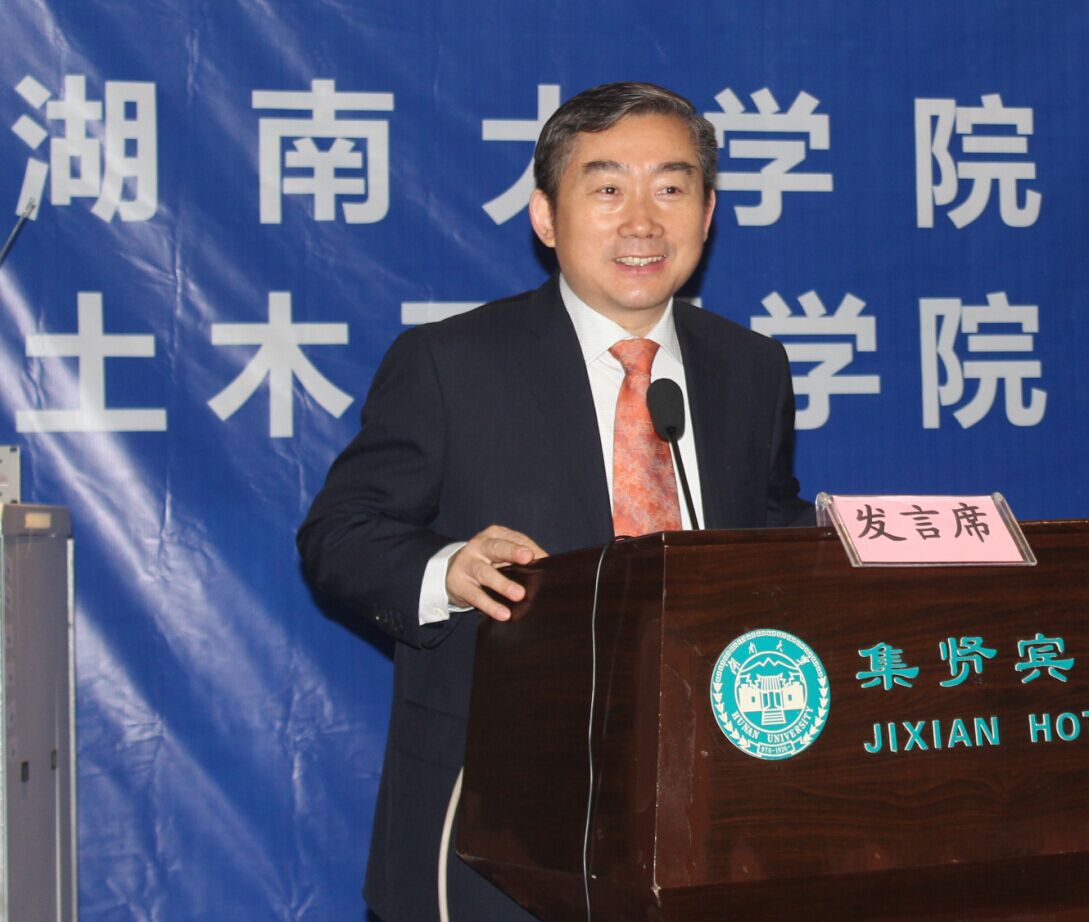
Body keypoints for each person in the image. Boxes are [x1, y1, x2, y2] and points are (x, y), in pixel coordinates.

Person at [297, 81, 812, 922]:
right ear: (545, 215)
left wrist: (846, 552)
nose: (642, 222)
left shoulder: (750, 367)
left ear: (708, 213)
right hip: (496, 820)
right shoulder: (451, 363)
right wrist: (446, 569)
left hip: (709, 810)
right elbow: (340, 533)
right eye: (607, 189)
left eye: (671, 189)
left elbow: (767, 522)